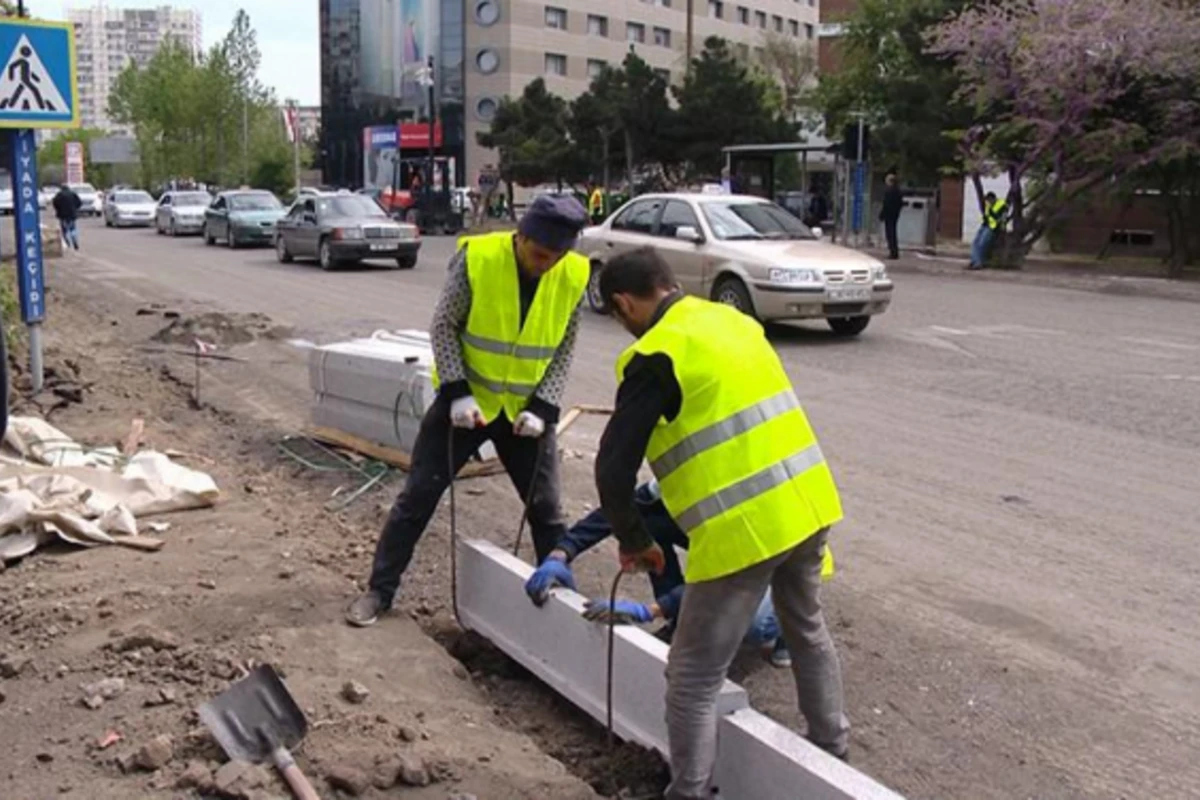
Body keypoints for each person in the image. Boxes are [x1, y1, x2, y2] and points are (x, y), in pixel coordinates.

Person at [593, 247, 849, 799]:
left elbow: (612, 469)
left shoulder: (655, 355)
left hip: (744, 531)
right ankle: (831, 751)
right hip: (806, 503)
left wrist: (637, 542)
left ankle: (688, 792)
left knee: (691, 678)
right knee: (805, 627)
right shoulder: (731, 319)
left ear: (623, 303)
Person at [344, 195, 591, 627]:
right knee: (418, 497)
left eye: (556, 257)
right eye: (539, 255)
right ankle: (379, 591)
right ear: (521, 238)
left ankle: (564, 610)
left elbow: (565, 344)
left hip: (524, 415)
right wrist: (458, 391)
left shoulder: (573, 272)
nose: (546, 264)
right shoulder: (477, 258)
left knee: (548, 512)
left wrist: (544, 405)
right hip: (466, 404)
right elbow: (444, 325)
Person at [523, 480, 800, 668]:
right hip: (721, 547)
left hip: (770, 561)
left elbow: (721, 580)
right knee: (649, 524)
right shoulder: (673, 484)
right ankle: (682, 621)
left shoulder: (731, 509)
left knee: (754, 624)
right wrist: (562, 552)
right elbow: (620, 511)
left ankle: (787, 628)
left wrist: (651, 610)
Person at [969, 191, 1008, 270]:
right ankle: (974, 261)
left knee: (982, 244)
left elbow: (1000, 219)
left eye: (989, 200)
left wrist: (1001, 229)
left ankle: (978, 263)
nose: (988, 202)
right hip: (985, 226)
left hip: (993, 228)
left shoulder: (1002, 205)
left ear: (993, 198)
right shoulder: (988, 205)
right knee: (975, 243)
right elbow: (987, 216)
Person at [879, 171, 903, 260]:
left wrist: (882, 214)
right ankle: (894, 251)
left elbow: (886, 204)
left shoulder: (889, 191)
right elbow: (900, 203)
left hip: (889, 215)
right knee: (893, 233)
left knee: (890, 234)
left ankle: (893, 252)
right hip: (895, 215)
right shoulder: (898, 191)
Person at [52, 184, 83, 251]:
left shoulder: (59, 195)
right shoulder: (73, 194)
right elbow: (80, 203)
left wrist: (58, 209)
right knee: (72, 229)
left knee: (64, 230)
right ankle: (75, 241)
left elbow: (55, 203)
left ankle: (67, 242)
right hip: (72, 215)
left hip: (63, 216)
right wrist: (75, 208)